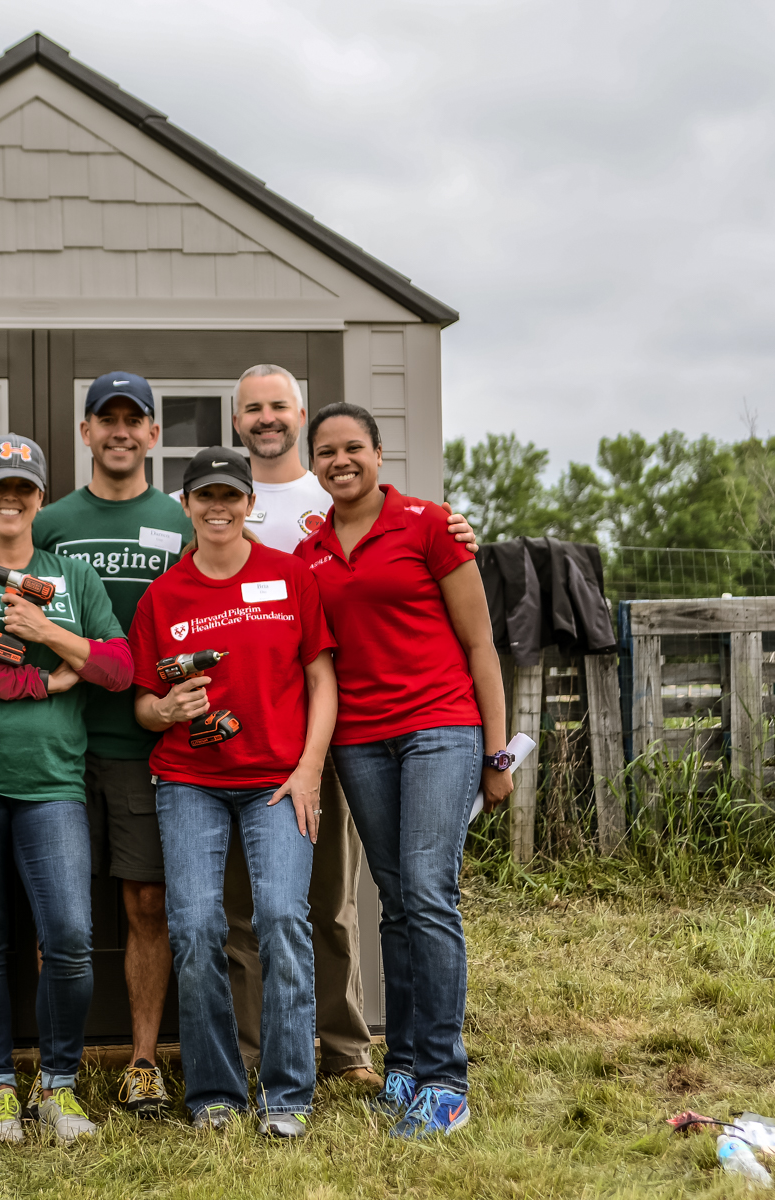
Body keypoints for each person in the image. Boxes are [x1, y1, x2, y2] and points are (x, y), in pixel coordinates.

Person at [214, 364, 477, 1089]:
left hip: (351, 730)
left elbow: (466, 621)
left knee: (339, 899)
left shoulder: (343, 503)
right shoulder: (220, 499)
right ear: (236, 422)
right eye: (252, 409)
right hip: (259, 733)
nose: (267, 419)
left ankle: (354, 1051)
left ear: (299, 415)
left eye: (279, 407)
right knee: (259, 904)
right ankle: (264, 1054)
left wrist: (498, 748)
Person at [295, 401, 512, 1140]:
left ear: (379, 455)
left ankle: (446, 1082)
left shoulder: (428, 524)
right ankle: (407, 1063)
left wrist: (498, 752)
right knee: (393, 897)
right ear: (313, 464)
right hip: (361, 739)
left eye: (352, 447)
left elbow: (481, 643)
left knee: (427, 890)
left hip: (441, 729)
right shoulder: (310, 551)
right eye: (325, 452)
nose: (339, 461)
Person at [0, 433, 134, 1145]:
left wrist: (50, 633)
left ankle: (59, 1086)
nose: (11, 498)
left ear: (41, 499)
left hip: (50, 783)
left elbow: (119, 666)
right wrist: (41, 679)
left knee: (69, 936)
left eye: (25, 488)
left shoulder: (72, 578)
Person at [131, 447, 338, 1137]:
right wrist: (166, 710)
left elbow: (321, 681)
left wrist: (309, 768)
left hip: (279, 780)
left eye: (230, 496)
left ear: (250, 504)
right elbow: (141, 703)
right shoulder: (164, 595)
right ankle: (215, 1092)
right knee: (194, 928)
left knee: (282, 919)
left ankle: (287, 1094)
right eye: (204, 496)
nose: (218, 508)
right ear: (185, 505)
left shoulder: (290, 577)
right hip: (189, 780)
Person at [30, 371, 193, 1118]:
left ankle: (141, 1062)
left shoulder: (183, 519)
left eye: (136, 420)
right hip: (56, 742)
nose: (122, 431)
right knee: (53, 909)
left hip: (142, 741)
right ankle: (49, 1068)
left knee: (147, 902)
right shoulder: (51, 520)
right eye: (108, 418)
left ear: (154, 435)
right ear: (86, 432)